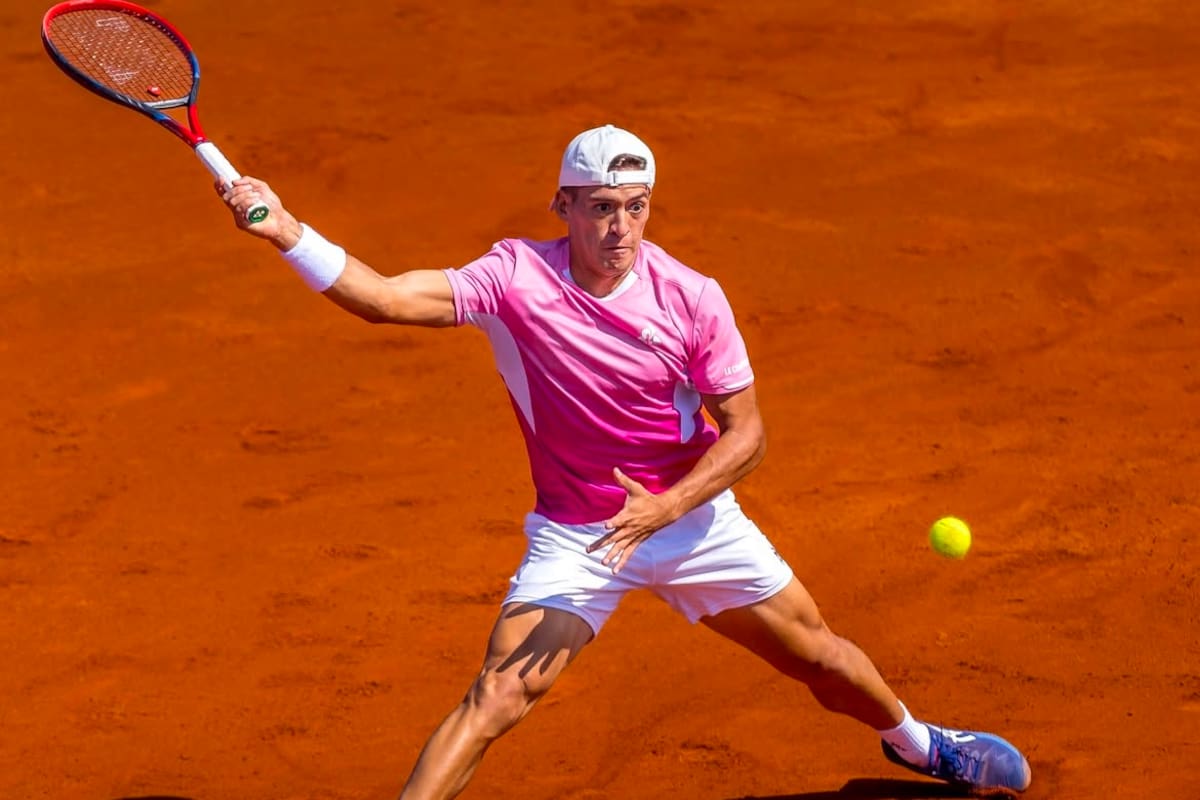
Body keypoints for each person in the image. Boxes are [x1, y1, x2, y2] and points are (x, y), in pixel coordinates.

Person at [217, 124, 1032, 799]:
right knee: (500, 692)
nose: (621, 229)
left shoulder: (693, 298)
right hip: (580, 538)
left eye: (636, 208)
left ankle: (921, 745)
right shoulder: (514, 278)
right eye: (602, 208)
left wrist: (666, 508)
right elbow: (386, 298)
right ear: (564, 206)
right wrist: (288, 230)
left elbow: (746, 432)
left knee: (818, 657)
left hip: (693, 520)